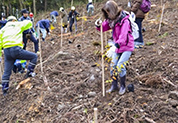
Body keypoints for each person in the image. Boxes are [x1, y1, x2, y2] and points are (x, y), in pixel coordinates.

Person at [95, 0, 134, 95]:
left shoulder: (125, 20)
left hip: (127, 46)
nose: (107, 15)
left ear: (112, 10)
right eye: (106, 13)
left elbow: (123, 36)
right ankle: (114, 85)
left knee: (120, 65)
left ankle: (123, 86)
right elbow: (103, 28)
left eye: (108, 12)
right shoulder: (112, 21)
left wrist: (115, 46)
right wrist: (98, 25)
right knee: (113, 66)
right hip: (118, 46)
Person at [0, 16, 38, 95]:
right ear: (14, 20)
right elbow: (29, 23)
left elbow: (0, 43)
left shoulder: (2, 29)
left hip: (6, 51)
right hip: (16, 49)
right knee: (34, 56)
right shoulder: (17, 24)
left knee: (7, 71)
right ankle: (29, 72)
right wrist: (29, 20)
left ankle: (4, 89)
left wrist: (0, 54)